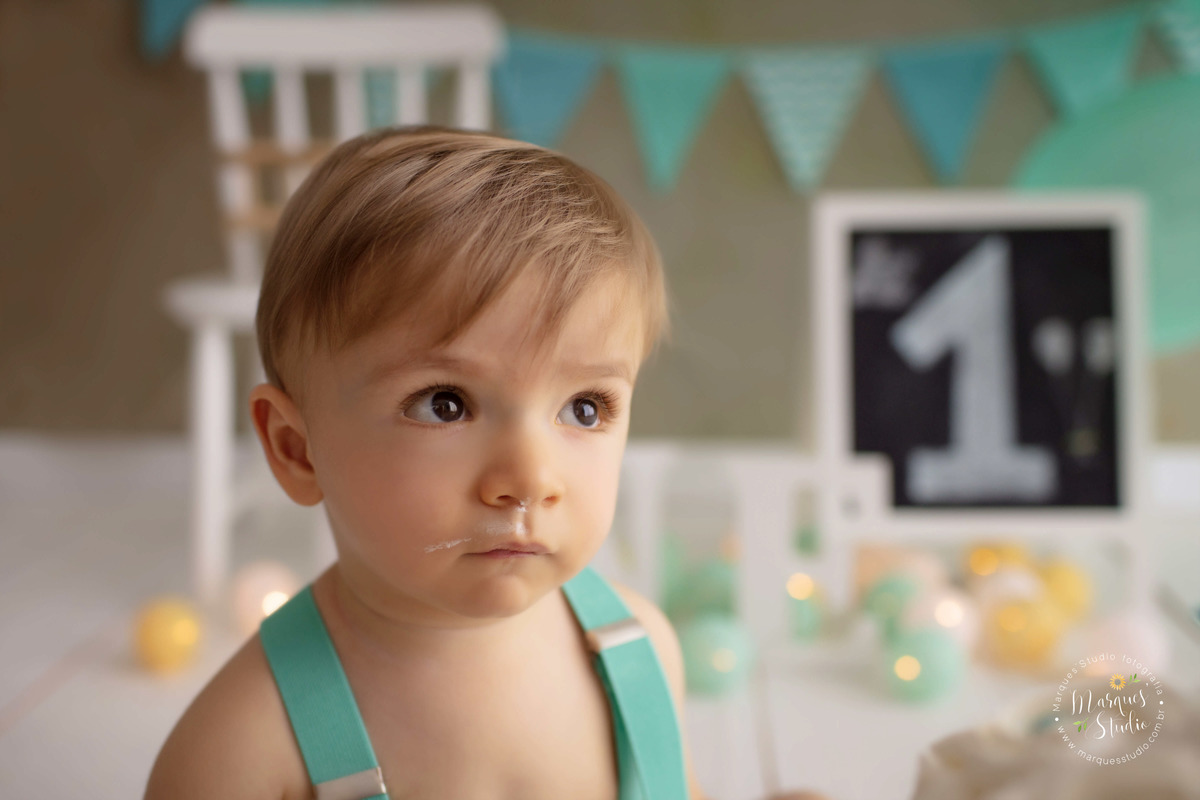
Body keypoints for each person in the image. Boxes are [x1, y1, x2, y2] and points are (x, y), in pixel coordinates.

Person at [144, 124, 706, 800]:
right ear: (297, 449)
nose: (530, 480)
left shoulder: (640, 657)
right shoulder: (242, 753)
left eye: (584, 408)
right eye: (444, 404)